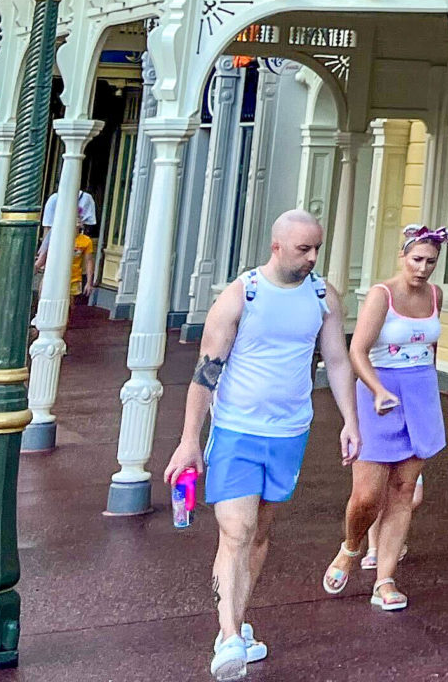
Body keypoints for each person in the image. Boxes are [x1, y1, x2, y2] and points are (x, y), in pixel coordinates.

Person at [163, 210, 360, 682]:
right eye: (302, 249)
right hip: (236, 430)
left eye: (317, 248)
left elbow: (336, 360)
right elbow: (205, 372)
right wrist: (190, 441)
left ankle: (236, 623)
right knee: (236, 529)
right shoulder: (240, 296)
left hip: (290, 432)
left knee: (259, 535)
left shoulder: (322, 295)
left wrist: (351, 421)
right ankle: (229, 635)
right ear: (276, 247)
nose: (312, 257)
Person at [329, 226, 448, 612]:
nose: (423, 268)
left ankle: (385, 579)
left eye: (431, 261)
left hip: (421, 393)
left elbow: (431, 346)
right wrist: (378, 390)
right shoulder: (382, 295)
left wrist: (430, 388)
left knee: (404, 491)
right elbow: (357, 350)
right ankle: (350, 547)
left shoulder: (435, 295)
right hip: (380, 392)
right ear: (403, 256)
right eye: (417, 259)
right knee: (368, 494)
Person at [36, 183, 100, 305]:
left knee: (70, 301)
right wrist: (45, 247)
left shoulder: (85, 200)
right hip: (56, 238)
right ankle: (40, 307)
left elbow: (89, 259)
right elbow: (48, 226)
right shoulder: (55, 200)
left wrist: (89, 281)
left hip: (73, 274)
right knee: (45, 274)